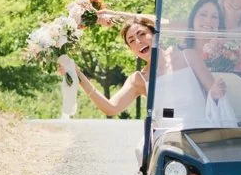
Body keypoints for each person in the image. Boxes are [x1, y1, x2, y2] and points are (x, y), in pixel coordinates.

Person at [61, 17, 223, 121]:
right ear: (131, 49)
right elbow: (111, 108)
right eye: (131, 40)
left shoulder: (188, 56)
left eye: (142, 34)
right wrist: (79, 76)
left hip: (200, 130)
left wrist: (217, 90)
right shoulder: (139, 79)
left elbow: (214, 92)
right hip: (167, 139)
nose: (138, 42)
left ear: (155, 34)